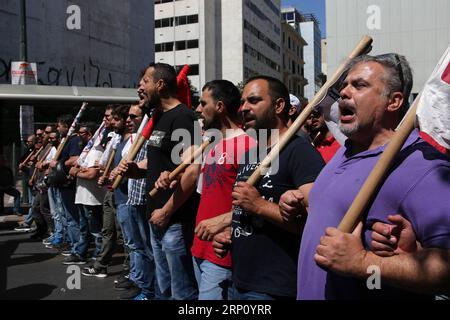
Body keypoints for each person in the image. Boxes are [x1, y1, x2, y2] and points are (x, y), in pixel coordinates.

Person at [295, 53, 450, 300]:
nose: (344, 92)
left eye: (359, 85)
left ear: (394, 101)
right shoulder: (346, 150)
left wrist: (362, 262)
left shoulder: (422, 166)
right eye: (344, 84)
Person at [214, 76, 324, 300]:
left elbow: (319, 223)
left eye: (253, 101)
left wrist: (259, 205)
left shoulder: (301, 152)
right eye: (243, 102)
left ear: (279, 106)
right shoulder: (250, 154)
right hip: (240, 281)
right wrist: (230, 234)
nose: (244, 108)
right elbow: (248, 213)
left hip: (274, 287)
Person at [155, 80, 257, 299]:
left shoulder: (248, 145)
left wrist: (225, 226)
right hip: (199, 247)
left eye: (203, 103)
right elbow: (200, 184)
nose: (198, 109)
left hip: (222, 254)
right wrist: (171, 177)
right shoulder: (210, 143)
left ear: (219, 107)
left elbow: (254, 203)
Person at [137, 62, 200, 300]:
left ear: (160, 84)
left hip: (174, 220)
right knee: (163, 289)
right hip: (156, 217)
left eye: (145, 81)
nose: (140, 87)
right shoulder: (158, 117)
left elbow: (190, 173)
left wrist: (166, 211)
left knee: (182, 292)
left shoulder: (183, 117)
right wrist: (134, 169)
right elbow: (158, 163)